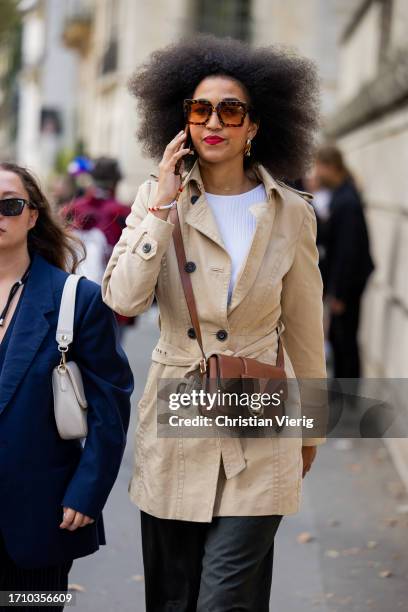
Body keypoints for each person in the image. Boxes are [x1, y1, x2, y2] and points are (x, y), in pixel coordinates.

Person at [102, 34, 326, 612]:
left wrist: (314, 425)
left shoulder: (291, 212)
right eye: (201, 110)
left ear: (256, 125)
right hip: (180, 411)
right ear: (182, 121)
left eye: (231, 110)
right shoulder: (158, 199)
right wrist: (160, 205)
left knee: (226, 597)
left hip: (262, 415)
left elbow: (304, 328)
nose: (214, 123)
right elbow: (122, 296)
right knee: (175, 597)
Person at [0, 162, 133, 610]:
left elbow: (109, 409)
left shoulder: (76, 299)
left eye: (10, 205)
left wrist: (87, 492)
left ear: (33, 215)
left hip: (39, 520)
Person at [314, 145, 375, 379]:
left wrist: (339, 293)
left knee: (345, 340)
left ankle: (348, 397)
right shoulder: (342, 194)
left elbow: (347, 252)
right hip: (346, 281)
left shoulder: (346, 201)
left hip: (348, 285)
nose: (316, 173)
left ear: (330, 167)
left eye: (319, 167)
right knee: (340, 339)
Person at [62, 157, 135, 336]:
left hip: (71, 297)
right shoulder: (125, 214)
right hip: (112, 301)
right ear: (116, 182)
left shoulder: (71, 209)